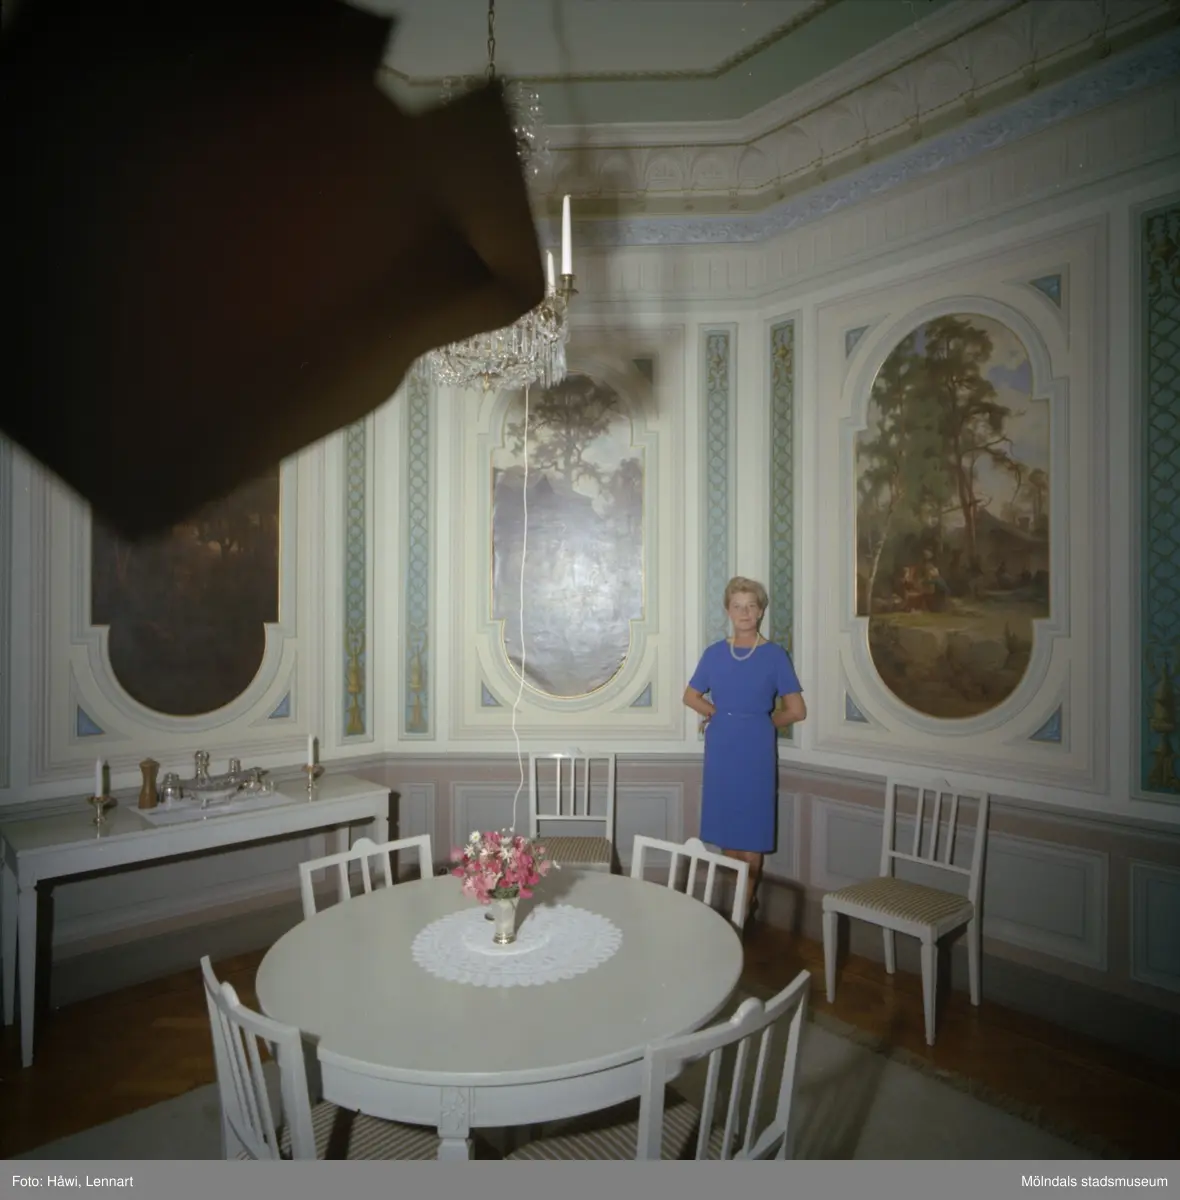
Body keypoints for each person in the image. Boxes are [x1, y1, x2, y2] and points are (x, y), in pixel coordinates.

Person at [683, 576, 806, 926]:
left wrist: (763, 723)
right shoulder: (714, 653)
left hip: (756, 752)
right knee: (728, 834)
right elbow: (690, 696)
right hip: (722, 748)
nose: (745, 612)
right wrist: (716, 714)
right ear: (728, 611)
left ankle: (744, 908)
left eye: (751, 606)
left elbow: (797, 711)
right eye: (738, 606)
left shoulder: (775, 656)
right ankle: (736, 903)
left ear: (761, 610)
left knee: (751, 834)